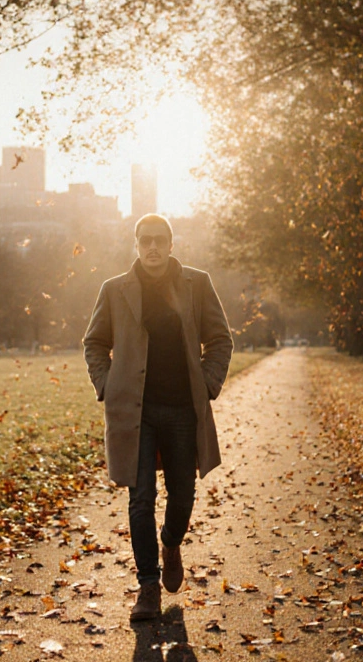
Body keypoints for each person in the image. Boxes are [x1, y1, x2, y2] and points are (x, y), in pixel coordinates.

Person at [82, 213, 233, 622]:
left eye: (159, 240)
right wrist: (107, 385)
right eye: (144, 240)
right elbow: (95, 343)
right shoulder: (115, 290)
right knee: (140, 498)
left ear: (170, 244)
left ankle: (171, 543)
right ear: (136, 244)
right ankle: (147, 586)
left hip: (184, 408)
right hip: (136, 412)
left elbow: (220, 338)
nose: (152, 247)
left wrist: (207, 383)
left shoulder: (196, 284)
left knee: (183, 493)